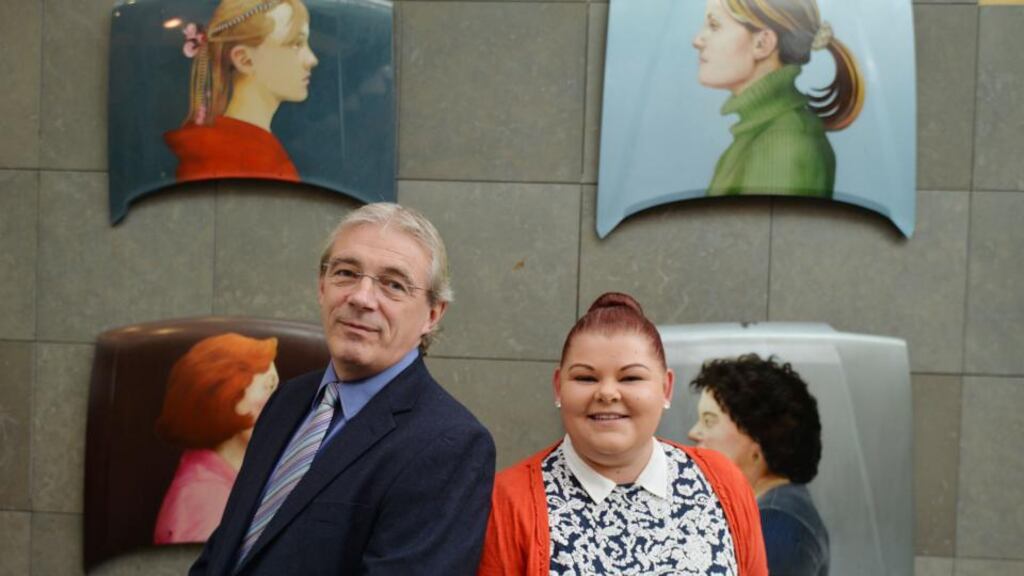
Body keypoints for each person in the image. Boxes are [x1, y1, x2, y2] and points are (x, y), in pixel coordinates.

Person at [190, 203, 496, 575]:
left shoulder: (451, 446)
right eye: (346, 273)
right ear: (322, 286)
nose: (361, 297)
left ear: (433, 315)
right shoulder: (287, 401)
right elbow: (226, 551)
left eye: (393, 284)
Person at [478, 293, 767, 576]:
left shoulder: (721, 481)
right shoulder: (509, 501)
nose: (606, 393)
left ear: (666, 388)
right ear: (558, 387)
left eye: (631, 378)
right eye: (585, 378)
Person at [692, 0, 865, 198]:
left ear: (762, 43)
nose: (697, 40)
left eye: (714, 25)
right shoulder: (766, 132)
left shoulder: (783, 142)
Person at [688, 354, 829, 575]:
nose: (693, 433)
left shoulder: (777, 526)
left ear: (758, 440)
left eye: (709, 421)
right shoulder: (773, 513)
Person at [165, 0, 318, 182]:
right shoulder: (254, 160)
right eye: (296, 43)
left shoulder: (219, 146)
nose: (312, 59)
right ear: (244, 59)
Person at [154, 333, 280, 544]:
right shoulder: (204, 496)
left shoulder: (225, 475)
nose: (279, 405)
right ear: (227, 397)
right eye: (269, 388)